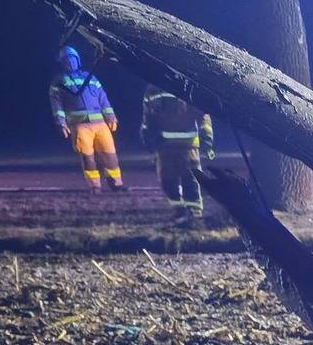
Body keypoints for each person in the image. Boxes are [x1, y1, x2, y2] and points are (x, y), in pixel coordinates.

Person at [49, 45, 124, 193]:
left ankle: (116, 183)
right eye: (67, 60)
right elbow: (56, 104)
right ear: (62, 63)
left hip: (100, 124)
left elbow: (103, 98)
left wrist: (111, 116)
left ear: (78, 60)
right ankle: (95, 186)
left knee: (110, 154)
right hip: (79, 125)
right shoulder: (59, 81)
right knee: (87, 157)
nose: (70, 62)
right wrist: (61, 123)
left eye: (73, 59)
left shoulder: (90, 77)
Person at [141, 84, 215, 228]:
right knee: (166, 180)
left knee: (191, 178)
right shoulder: (153, 89)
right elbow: (147, 115)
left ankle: (194, 213)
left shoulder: (188, 85)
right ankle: (179, 210)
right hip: (164, 145)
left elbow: (202, 114)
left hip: (188, 144)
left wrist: (206, 138)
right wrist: (148, 136)